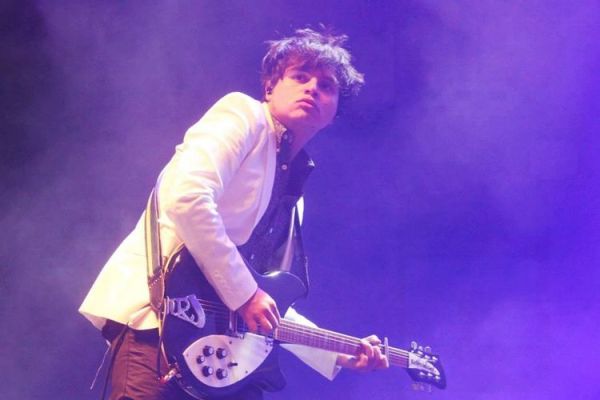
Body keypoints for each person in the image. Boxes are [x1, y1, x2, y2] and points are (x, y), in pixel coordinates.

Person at [80, 28, 388, 400]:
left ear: (334, 112)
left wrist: (336, 353)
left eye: (326, 86)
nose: (312, 89)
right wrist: (245, 294)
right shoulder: (243, 116)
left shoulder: (294, 196)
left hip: (218, 355)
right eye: (300, 76)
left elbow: (263, 297)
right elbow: (187, 196)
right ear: (270, 88)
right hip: (158, 324)